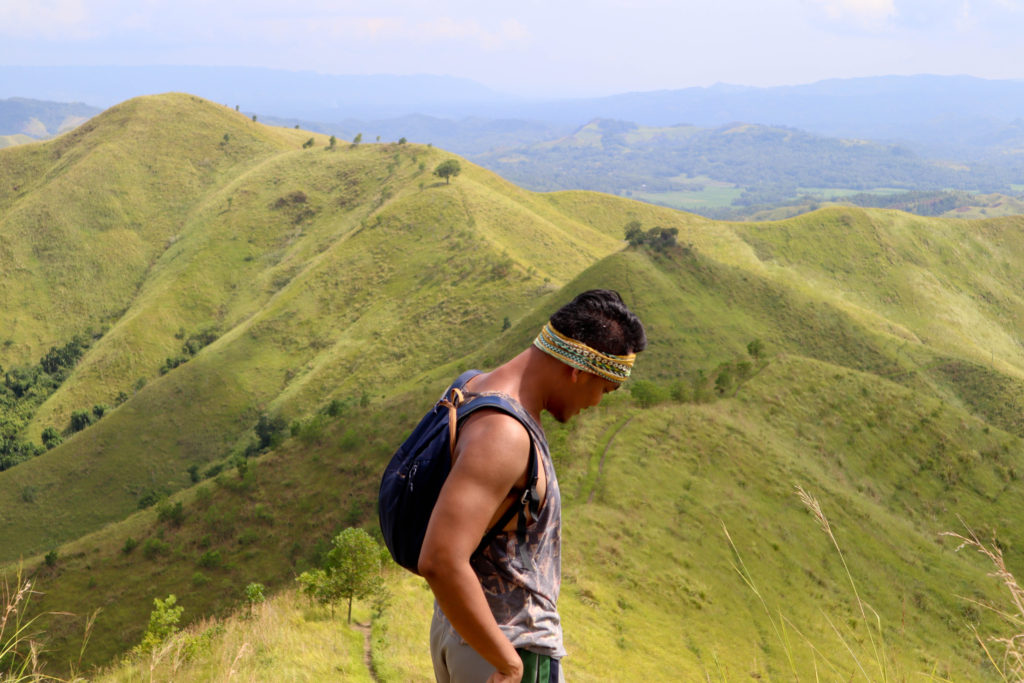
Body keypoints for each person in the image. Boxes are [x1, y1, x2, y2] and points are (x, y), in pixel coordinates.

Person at [418, 289, 647, 683]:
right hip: (504, 646)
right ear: (578, 370)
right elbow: (440, 559)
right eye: (604, 390)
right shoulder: (504, 434)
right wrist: (508, 664)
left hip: (469, 638)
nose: (596, 404)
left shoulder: (473, 387)